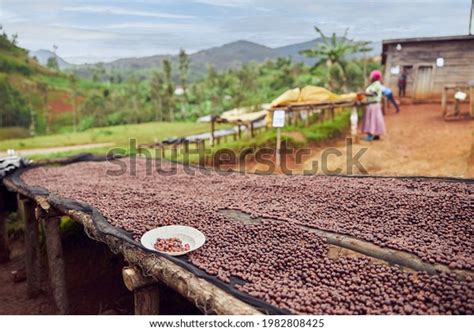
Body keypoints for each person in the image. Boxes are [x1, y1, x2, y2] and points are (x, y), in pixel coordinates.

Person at [362, 70, 386, 141]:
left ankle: (370, 136)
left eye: (371, 75)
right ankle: (376, 135)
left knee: (371, 120)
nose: (370, 77)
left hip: (373, 105)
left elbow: (373, 94)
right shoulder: (374, 84)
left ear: (374, 77)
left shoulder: (376, 84)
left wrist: (363, 93)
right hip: (373, 105)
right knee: (376, 119)